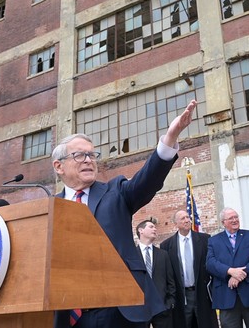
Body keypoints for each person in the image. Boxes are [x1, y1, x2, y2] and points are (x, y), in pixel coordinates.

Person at [51, 99, 197, 328]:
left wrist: (170, 138)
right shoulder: (50, 210)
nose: (89, 160)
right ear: (59, 166)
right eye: (79, 155)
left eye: (92, 155)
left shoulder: (115, 191)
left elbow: (146, 181)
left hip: (120, 310)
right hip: (70, 314)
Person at [206, 207, 249, 328]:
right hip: (226, 296)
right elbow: (210, 263)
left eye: (236, 217)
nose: (235, 220)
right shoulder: (213, 241)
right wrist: (230, 271)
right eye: (231, 218)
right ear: (223, 222)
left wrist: (239, 275)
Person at [160, 210, 219, 328]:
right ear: (175, 224)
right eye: (183, 218)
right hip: (181, 297)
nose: (187, 220)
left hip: (202, 294)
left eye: (188, 217)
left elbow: (212, 265)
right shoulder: (166, 245)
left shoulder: (205, 239)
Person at [135, 219, 176, 328]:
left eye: (155, 227)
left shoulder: (163, 255)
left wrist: (169, 303)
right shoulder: (132, 255)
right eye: (151, 227)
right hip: (140, 309)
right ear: (141, 230)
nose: (155, 229)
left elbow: (171, 281)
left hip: (162, 308)